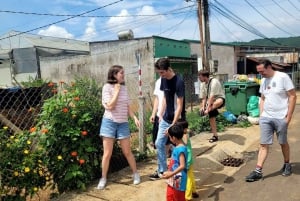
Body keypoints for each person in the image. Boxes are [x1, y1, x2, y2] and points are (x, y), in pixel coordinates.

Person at [245, 59, 297, 182]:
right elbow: (262, 98)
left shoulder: (283, 77)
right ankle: (258, 171)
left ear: (269, 67)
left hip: (281, 117)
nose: (260, 74)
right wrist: (262, 114)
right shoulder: (263, 80)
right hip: (266, 118)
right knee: (263, 144)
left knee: (282, 142)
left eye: (262, 71)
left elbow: (293, 96)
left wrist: (288, 117)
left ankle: (287, 164)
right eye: (259, 71)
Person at [96, 65, 141, 189]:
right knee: (107, 153)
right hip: (109, 122)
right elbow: (110, 106)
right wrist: (116, 91)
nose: (123, 75)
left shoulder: (124, 88)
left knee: (127, 151)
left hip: (123, 123)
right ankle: (103, 178)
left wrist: (135, 118)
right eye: (121, 73)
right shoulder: (107, 87)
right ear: (114, 74)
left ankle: (136, 174)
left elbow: (127, 106)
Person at [149, 58, 186, 180]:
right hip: (165, 119)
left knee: (178, 146)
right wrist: (160, 114)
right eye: (159, 73)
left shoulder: (179, 82)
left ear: (168, 69)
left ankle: (181, 169)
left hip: (177, 120)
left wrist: (173, 125)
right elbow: (164, 98)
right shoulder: (163, 80)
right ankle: (164, 171)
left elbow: (180, 105)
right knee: (159, 143)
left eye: (161, 72)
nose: (160, 75)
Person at [198, 69, 225, 143]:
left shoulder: (214, 82)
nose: (199, 79)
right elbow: (203, 98)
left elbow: (212, 97)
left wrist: (207, 109)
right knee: (211, 118)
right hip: (209, 102)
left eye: (200, 77)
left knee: (218, 101)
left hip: (218, 99)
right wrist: (203, 107)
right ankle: (215, 135)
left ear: (204, 76)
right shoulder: (202, 84)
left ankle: (206, 112)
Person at [162, 124, 187, 201]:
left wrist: (171, 174)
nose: (169, 138)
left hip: (178, 178)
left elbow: (182, 166)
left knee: (178, 197)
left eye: (169, 137)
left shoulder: (181, 150)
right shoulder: (178, 147)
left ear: (174, 138)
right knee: (170, 196)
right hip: (174, 177)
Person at [176, 120, 199, 201]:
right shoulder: (185, 133)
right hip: (189, 159)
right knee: (191, 176)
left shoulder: (184, 135)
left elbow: (185, 143)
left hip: (187, 160)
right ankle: (194, 191)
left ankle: (187, 197)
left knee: (188, 179)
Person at [149, 76, 164, 149]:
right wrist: (153, 114)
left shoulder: (174, 80)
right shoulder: (158, 82)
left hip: (170, 115)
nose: (161, 74)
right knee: (156, 139)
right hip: (159, 115)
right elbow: (157, 99)